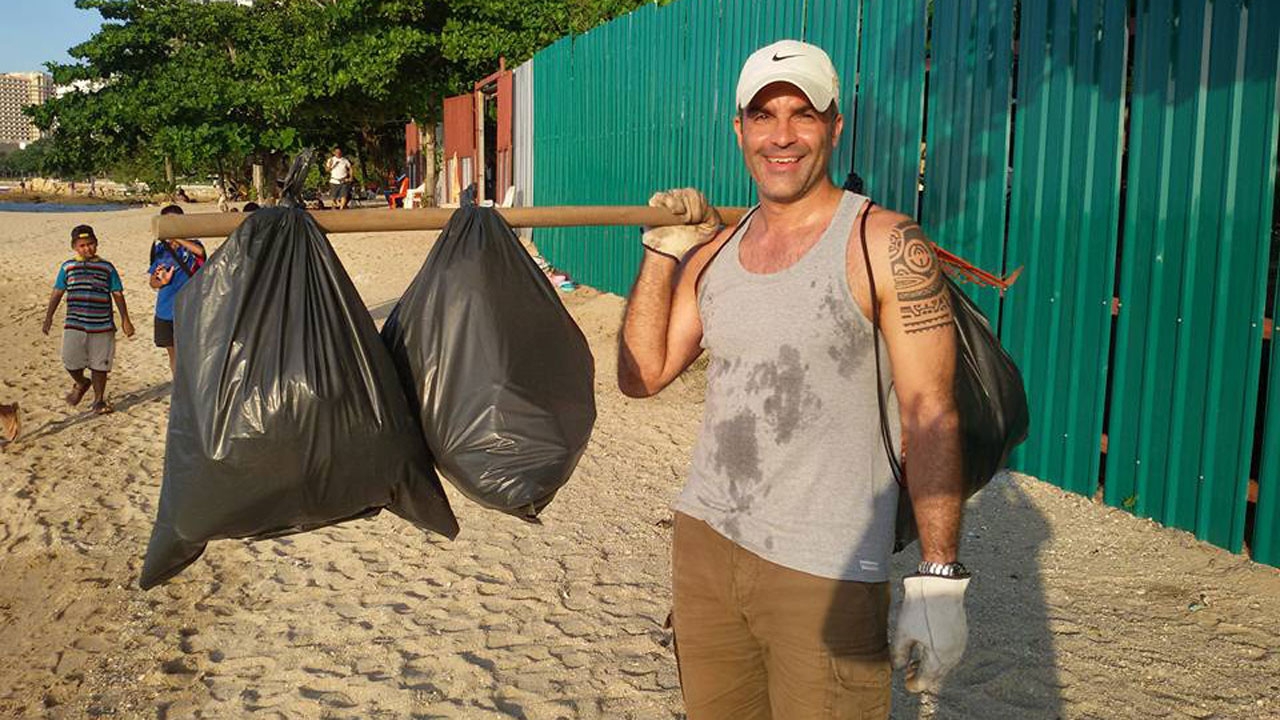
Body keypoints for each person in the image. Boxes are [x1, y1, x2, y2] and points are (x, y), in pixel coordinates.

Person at [617, 40, 969, 718]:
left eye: (803, 115)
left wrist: (939, 578)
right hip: (707, 548)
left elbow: (932, 413)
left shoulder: (887, 245)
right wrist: (661, 253)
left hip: (825, 570)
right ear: (739, 129)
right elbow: (641, 374)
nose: (782, 136)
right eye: (763, 115)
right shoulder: (715, 251)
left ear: (835, 126)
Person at [43, 224, 135, 415]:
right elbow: (58, 291)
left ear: (96, 243)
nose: (87, 248)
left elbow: (117, 293)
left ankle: (99, 400)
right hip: (74, 323)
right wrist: (49, 316)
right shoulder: (68, 267)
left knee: (99, 364)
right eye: (82, 245)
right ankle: (81, 382)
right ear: (74, 247)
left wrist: (125, 319)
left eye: (91, 244)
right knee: (70, 360)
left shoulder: (107, 267)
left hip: (102, 324)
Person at [148, 205, 206, 374]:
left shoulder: (192, 245)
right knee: (173, 355)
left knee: (187, 354)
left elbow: (200, 252)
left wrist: (177, 236)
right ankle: (179, 386)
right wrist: (162, 282)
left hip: (189, 309)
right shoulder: (159, 249)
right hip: (165, 310)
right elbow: (152, 281)